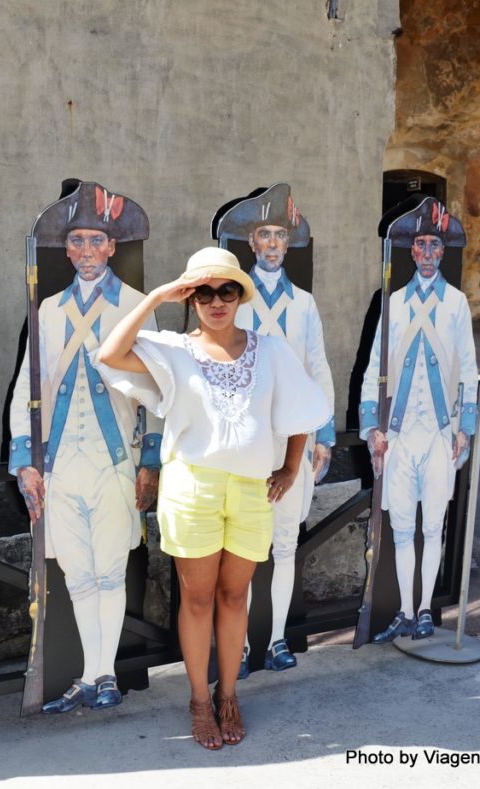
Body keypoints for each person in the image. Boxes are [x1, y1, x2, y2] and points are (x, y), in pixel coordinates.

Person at [96, 247, 330, 750]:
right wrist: (159, 295)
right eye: (204, 291)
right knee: (198, 598)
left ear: (241, 296)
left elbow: (301, 406)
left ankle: (229, 695)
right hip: (191, 488)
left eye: (227, 290)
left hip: (249, 490)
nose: (216, 300)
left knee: (233, 596)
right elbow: (110, 354)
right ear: (191, 297)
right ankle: (200, 701)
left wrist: (291, 465)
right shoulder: (174, 349)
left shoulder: (270, 350)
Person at [8, 181, 162, 714]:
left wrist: (151, 462)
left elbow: (159, 395)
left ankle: (103, 675)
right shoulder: (49, 310)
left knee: (109, 571)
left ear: (112, 247)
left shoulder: (138, 306)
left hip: (115, 457)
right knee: (76, 573)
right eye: (77, 242)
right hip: (59, 462)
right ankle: (89, 674)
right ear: (67, 249)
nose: (87, 252)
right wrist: (24, 462)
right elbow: (27, 387)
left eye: (97, 241)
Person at [217, 183, 336, 674]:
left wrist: (323, 433)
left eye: (279, 236)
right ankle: (239, 646)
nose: (270, 243)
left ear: (287, 246)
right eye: (263, 234)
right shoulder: (232, 298)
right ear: (251, 243)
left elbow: (317, 367)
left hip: (293, 441)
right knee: (242, 550)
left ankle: (278, 640)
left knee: (285, 544)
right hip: (245, 442)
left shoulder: (303, 304)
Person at [359, 197, 477, 643]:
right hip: (399, 432)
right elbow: (374, 368)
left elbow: (467, 367)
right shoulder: (393, 303)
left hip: (440, 431)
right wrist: (372, 427)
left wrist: (465, 426)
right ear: (412, 251)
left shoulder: (457, 304)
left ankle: (426, 609)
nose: (427, 253)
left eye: (435, 245)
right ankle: (406, 612)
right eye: (421, 245)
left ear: (443, 252)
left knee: (434, 526)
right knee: (403, 528)